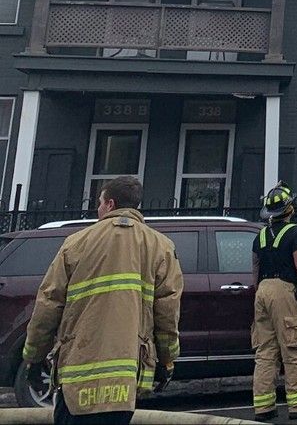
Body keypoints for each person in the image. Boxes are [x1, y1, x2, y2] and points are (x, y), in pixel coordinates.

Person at [22, 176, 182, 424]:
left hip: (76, 375)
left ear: (110, 204)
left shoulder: (75, 243)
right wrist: (166, 360)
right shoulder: (161, 247)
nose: (97, 208)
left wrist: (33, 358)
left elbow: (48, 305)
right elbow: (167, 312)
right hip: (124, 380)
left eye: (99, 202)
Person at [251, 182, 297, 421]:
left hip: (262, 290)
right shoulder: (295, 232)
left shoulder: (260, 235)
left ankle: (264, 407)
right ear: (288, 209)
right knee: (295, 348)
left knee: (265, 352)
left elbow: (255, 268)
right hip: (285, 292)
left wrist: (261, 291)